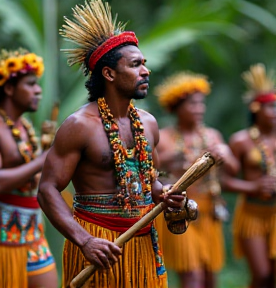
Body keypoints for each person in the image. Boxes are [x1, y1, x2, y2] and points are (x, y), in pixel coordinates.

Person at [37, 1, 187, 288]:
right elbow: (47, 189)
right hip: (98, 245)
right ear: (109, 74)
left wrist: (165, 194)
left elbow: (150, 181)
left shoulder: (148, 122)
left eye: (144, 63)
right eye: (135, 65)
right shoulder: (79, 126)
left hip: (143, 242)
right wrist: (85, 240)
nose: (146, 71)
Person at [153, 71, 239, 288]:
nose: (199, 109)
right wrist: (171, 158)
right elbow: (152, 173)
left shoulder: (212, 136)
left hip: (209, 212)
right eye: (192, 104)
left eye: (201, 104)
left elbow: (234, 170)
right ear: (176, 107)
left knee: (210, 278)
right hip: (180, 211)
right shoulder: (164, 138)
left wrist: (224, 153)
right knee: (192, 278)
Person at [0, 48, 58, 288]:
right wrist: (44, 159)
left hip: (34, 235)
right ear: (8, 88)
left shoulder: (25, 126)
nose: (38, 90)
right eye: (30, 84)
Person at [222, 63, 276, 288]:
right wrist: (252, 187)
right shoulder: (241, 141)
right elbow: (224, 181)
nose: (275, 113)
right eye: (270, 107)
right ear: (256, 109)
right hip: (252, 214)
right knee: (262, 275)